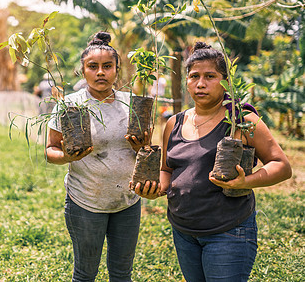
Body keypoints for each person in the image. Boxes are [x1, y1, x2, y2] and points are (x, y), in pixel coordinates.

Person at [135, 42, 292, 281]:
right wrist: (157, 189)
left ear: (225, 81)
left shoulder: (241, 121)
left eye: (210, 76)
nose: (200, 83)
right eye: (194, 76)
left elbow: (282, 166)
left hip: (229, 231)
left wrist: (244, 181)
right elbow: (167, 169)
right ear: (186, 81)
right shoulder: (174, 123)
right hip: (184, 231)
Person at [46, 31, 149, 281]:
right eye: (93, 67)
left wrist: (141, 149)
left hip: (127, 201)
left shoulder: (132, 104)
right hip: (85, 201)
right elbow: (50, 151)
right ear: (83, 71)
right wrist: (68, 157)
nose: (100, 72)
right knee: (84, 274)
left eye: (107, 66)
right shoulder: (70, 105)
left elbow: (147, 149)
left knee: (122, 274)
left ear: (117, 70)